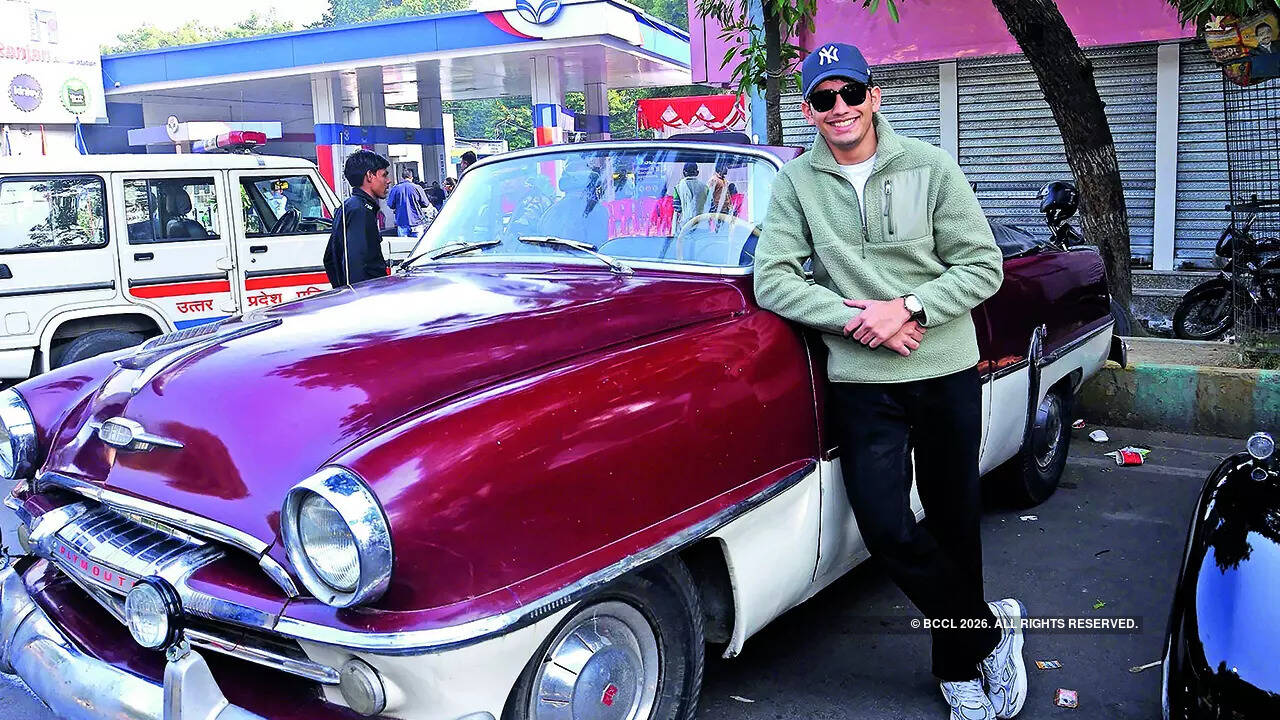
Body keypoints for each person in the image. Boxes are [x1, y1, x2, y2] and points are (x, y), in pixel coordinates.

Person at [753, 43, 1019, 720]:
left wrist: (909, 307)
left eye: (850, 94)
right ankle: (989, 628)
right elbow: (773, 278)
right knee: (886, 526)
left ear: (874, 97)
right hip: (863, 379)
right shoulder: (797, 185)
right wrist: (855, 318)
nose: (838, 109)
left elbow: (982, 266)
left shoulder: (929, 167)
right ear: (809, 112)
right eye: (822, 99)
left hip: (943, 370)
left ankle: (956, 668)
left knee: (955, 521)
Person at [323, 150, 392, 287]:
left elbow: (329, 259)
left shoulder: (349, 206)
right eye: (384, 175)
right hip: (369, 295)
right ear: (370, 176)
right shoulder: (361, 210)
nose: (388, 181)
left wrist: (341, 290)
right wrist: (358, 295)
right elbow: (356, 261)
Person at [387, 169, 435, 237]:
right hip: (417, 222)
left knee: (403, 246)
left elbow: (390, 204)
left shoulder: (396, 188)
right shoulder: (417, 188)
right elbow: (426, 204)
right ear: (411, 177)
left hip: (402, 221)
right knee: (418, 245)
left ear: (402, 177)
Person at [671, 161, 708, 232]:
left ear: (684, 173)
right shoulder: (705, 187)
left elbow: (677, 208)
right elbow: (711, 206)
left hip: (685, 226)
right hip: (702, 226)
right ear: (697, 173)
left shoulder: (677, 188)